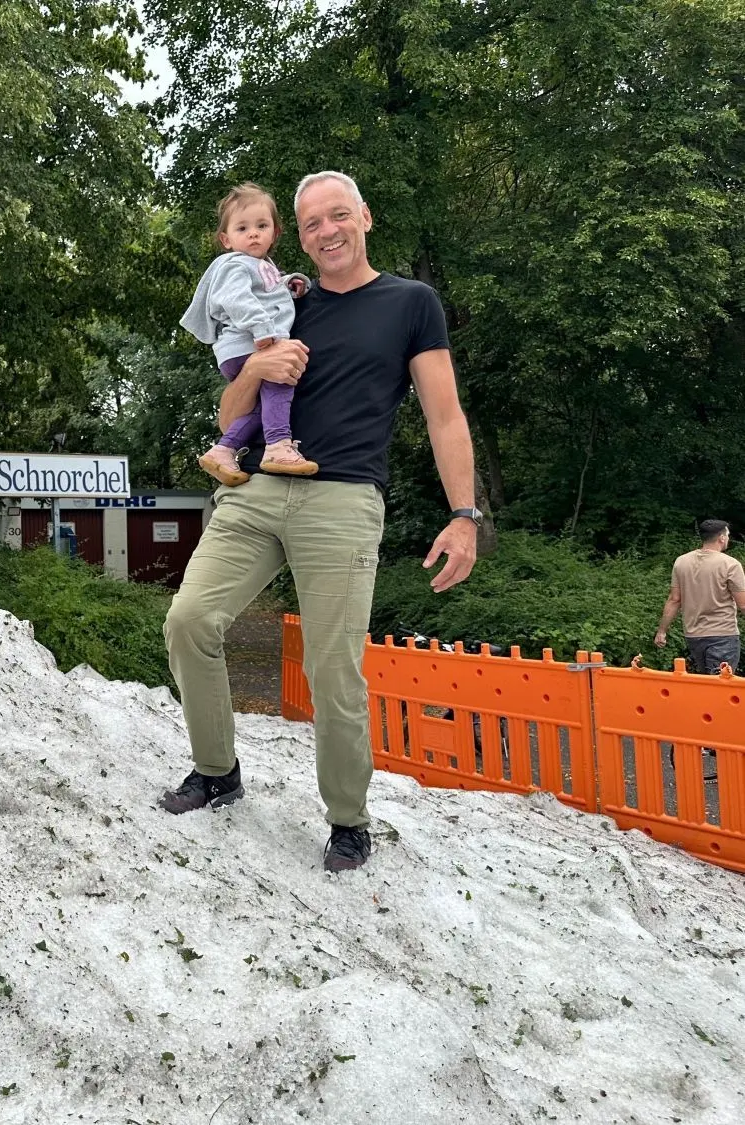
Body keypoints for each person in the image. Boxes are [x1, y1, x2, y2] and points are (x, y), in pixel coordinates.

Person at [160, 170, 481, 874]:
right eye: (311, 224)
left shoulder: (410, 302)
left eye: (339, 215)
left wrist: (464, 514)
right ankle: (217, 772)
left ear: (364, 217)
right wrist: (261, 364)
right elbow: (229, 415)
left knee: (332, 668)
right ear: (296, 237)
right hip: (255, 487)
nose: (327, 230)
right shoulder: (275, 297)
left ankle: (347, 819)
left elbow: (444, 413)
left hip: (341, 499)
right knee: (189, 622)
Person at [180, 183, 316, 487]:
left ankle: (222, 450)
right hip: (246, 345)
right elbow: (237, 299)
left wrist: (291, 283)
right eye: (243, 228)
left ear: (275, 232)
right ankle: (279, 447)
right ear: (226, 239)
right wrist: (263, 330)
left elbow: (267, 292)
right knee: (282, 382)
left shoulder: (261, 266)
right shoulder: (234, 264)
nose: (253, 233)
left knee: (261, 408)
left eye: (261, 225)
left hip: (244, 347)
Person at [655, 520, 745, 674]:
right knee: (720, 687)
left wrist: (662, 631)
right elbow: (743, 605)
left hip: (693, 636)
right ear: (722, 538)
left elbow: (674, 599)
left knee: (707, 684)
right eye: (728, 535)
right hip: (722, 635)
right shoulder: (730, 564)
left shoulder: (681, 562)